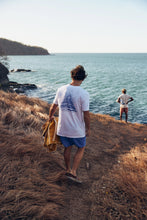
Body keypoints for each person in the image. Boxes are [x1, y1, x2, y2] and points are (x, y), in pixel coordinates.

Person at [48, 65, 90, 181]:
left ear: (72, 76)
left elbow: (53, 106)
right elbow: (86, 115)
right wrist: (88, 128)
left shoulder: (61, 89)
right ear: (83, 78)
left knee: (67, 148)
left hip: (63, 128)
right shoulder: (84, 93)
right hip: (77, 129)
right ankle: (73, 171)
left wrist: (50, 116)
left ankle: (67, 169)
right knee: (81, 148)